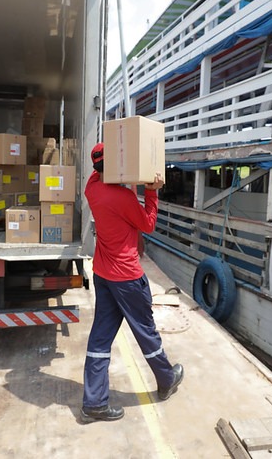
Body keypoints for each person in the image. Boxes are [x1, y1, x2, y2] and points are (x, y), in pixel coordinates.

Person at [81, 142, 184, 423]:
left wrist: (130, 181)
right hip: (127, 278)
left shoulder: (92, 188)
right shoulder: (123, 199)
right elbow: (148, 224)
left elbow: (105, 175)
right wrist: (151, 191)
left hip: (103, 274)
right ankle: (166, 379)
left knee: (100, 338)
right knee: (146, 332)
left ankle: (94, 403)